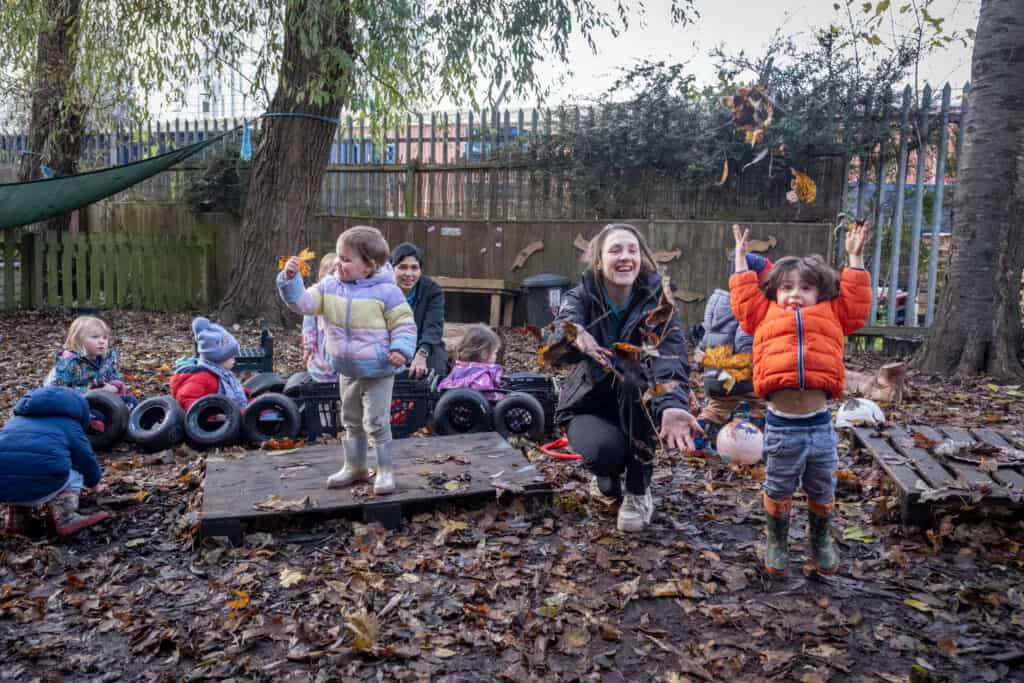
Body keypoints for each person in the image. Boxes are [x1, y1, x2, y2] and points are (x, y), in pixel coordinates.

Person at [730, 221, 871, 577]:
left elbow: (855, 305)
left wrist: (855, 258)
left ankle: (820, 541)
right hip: (781, 426)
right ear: (774, 293)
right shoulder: (763, 316)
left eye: (805, 288)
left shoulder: (832, 315)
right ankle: (777, 542)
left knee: (822, 485)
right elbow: (745, 301)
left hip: (820, 424)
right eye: (787, 288)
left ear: (820, 292)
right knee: (778, 484)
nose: (795, 294)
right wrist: (739, 261)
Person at [552, 222, 701, 533]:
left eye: (632, 250)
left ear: (642, 258)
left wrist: (672, 404)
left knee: (633, 375)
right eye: (615, 250)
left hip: (638, 405)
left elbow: (671, 356)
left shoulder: (658, 304)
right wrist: (572, 333)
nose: (625, 257)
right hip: (589, 403)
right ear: (598, 260)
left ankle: (637, 492)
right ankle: (608, 478)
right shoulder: (581, 296)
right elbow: (560, 324)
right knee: (605, 457)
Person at [279, 225, 416, 495]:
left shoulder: (388, 292)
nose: (338, 264)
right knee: (350, 418)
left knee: (376, 421)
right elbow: (304, 304)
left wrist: (401, 349)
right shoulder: (330, 286)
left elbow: (404, 324)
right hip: (346, 368)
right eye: (339, 257)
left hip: (378, 369)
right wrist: (290, 280)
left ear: (369, 266)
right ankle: (355, 466)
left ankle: (386, 470)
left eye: (345, 259)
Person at [0, 386, 109, 538]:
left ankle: (19, 519)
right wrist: (95, 483)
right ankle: (66, 517)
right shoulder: (70, 425)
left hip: (3, 490)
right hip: (44, 484)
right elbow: (86, 460)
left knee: (14, 465)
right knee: (76, 468)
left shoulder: (14, 422)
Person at [694, 252, 772, 451]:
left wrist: (701, 359)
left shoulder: (719, 303)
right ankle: (755, 441)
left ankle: (697, 440)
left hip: (714, 373)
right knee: (764, 401)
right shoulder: (747, 307)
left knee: (718, 408)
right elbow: (745, 339)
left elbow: (707, 335)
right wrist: (757, 363)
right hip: (738, 372)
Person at [45, 315, 135, 406]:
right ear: (78, 340)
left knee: (131, 401)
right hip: (80, 402)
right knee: (97, 414)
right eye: (95, 337)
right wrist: (89, 392)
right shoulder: (69, 362)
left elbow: (115, 377)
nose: (102, 341)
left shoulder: (107, 360)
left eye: (104, 337)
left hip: (105, 398)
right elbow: (57, 389)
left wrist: (114, 387)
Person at [391, 242, 448, 378]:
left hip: (425, 344)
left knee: (434, 372)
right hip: (391, 345)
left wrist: (422, 353)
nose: (409, 274)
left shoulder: (432, 290)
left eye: (414, 268)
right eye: (403, 267)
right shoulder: (383, 289)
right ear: (392, 268)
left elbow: (433, 327)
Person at [170, 317, 249, 412]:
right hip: (217, 420)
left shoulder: (223, 373)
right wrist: (209, 415)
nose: (234, 360)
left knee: (263, 408)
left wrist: (245, 393)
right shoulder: (201, 377)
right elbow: (186, 398)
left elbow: (232, 389)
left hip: (232, 411)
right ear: (219, 358)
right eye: (231, 357)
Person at [437, 324, 503, 400]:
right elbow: (493, 400)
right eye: (494, 353)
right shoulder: (482, 377)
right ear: (484, 354)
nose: (496, 356)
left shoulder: (458, 368)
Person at [302, 252, 340, 383]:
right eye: (330, 274)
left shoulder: (344, 297)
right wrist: (308, 348)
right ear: (321, 277)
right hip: (321, 348)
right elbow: (309, 328)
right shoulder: (315, 298)